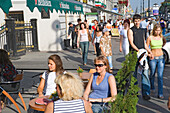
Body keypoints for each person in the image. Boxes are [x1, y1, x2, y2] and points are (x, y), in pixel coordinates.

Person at [127, 14, 153, 100]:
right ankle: (134, 92)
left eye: (138, 20)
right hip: (134, 53)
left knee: (145, 73)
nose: (137, 22)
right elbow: (131, 42)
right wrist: (138, 50)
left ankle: (146, 93)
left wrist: (149, 51)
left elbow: (144, 43)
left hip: (142, 54)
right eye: (135, 20)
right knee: (133, 73)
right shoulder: (130, 30)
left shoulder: (143, 30)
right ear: (133, 21)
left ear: (140, 20)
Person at [146, 24, 166, 99]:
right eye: (156, 30)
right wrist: (149, 53)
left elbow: (163, 43)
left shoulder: (161, 37)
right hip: (153, 58)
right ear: (154, 30)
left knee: (160, 76)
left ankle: (160, 93)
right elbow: (146, 46)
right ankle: (152, 88)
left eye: (159, 30)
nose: (158, 32)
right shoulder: (150, 37)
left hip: (161, 57)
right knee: (152, 74)